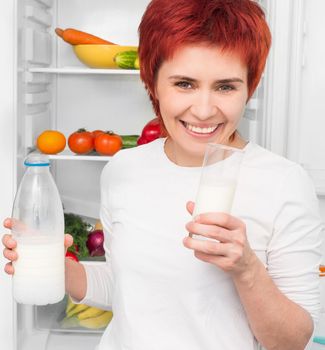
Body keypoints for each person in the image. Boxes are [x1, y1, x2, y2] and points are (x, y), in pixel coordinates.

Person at [2, 0, 324, 349]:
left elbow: (293, 341)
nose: (203, 110)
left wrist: (246, 269)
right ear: (152, 83)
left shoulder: (284, 184)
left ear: (250, 86)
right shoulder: (123, 169)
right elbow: (127, 286)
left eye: (226, 87)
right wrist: (58, 270)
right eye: (184, 84)